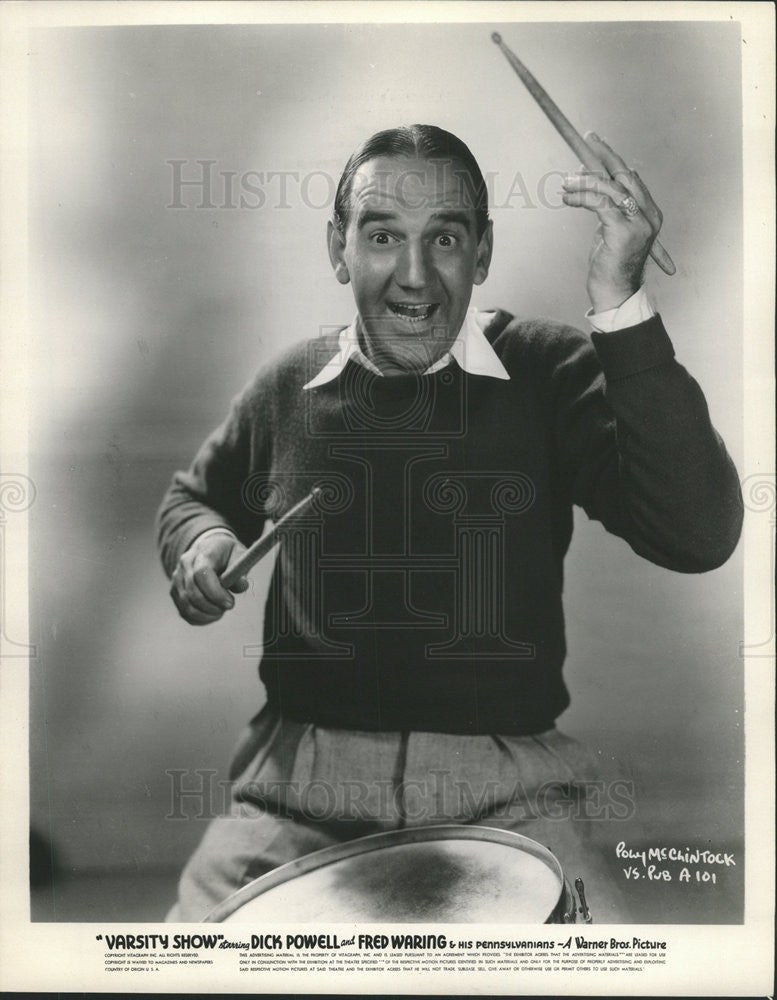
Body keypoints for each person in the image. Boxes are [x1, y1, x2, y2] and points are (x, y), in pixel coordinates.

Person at [157, 125, 742, 922]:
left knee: (609, 972)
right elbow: (193, 496)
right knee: (175, 963)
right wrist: (202, 544)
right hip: (294, 792)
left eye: (445, 238)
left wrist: (621, 304)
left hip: (507, 793)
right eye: (382, 235)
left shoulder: (549, 369)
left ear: (484, 253)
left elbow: (699, 534)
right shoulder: (286, 383)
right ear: (338, 249)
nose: (414, 275)